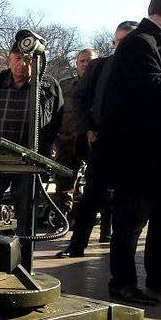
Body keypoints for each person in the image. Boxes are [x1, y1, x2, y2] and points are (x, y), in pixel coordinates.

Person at [103, 0, 161, 306]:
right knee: (132, 220)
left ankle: (160, 275)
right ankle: (122, 282)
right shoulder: (140, 42)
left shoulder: (158, 42)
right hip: (138, 154)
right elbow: (156, 89)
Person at [56, 22, 138, 259]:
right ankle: (77, 243)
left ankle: (111, 241)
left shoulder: (144, 68)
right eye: (119, 42)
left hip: (130, 144)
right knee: (92, 195)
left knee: (120, 199)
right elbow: (79, 99)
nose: (123, 47)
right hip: (99, 142)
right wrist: (89, 128)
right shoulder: (101, 67)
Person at [0, 30, 63, 214]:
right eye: (18, 58)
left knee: (25, 208)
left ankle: (22, 241)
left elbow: (56, 121)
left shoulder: (47, 87)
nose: (23, 64)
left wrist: (46, 152)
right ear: (9, 59)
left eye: (28, 59)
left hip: (30, 157)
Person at [54, 48, 97, 214]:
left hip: (92, 140)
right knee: (63, 182)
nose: (86, 64)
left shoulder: (103, 85)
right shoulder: (64, 85)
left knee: (97, 182)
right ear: (76, 63)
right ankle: (62, 218)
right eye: (82, 61)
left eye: (90, 61)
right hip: (67, 141)